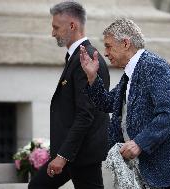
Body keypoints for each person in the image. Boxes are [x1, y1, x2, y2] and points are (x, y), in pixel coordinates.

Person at [80, 18, 170, 189]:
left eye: (108, 46)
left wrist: (140, 143)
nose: (106, 53)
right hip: (151, 169)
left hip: (167, 170)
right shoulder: (131, 73)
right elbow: (106, 103)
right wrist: (92, 77)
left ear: (125, 43)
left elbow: (169, 113)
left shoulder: (153, 66)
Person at [28, 1, 110, 189]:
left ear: (72, 25)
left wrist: (63, 156)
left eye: (56, 27)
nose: (53, 33)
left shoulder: (86, 58)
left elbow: (85, 114)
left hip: (80, 154)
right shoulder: (77, 56)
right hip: (73, 152)